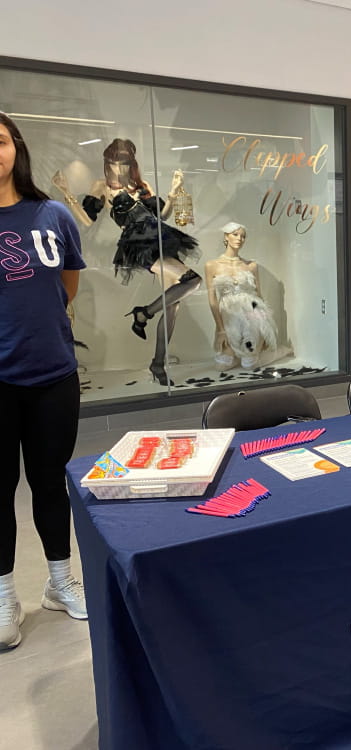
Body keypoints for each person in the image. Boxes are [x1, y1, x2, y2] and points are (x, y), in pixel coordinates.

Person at [0, 112, 88, 649]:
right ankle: (4, 595)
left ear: (16, 148)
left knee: (51, 484)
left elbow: (68, 284)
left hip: (54, 374)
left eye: (0, 140)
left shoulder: (52, 214)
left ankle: (59, 582)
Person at [52, 138, 200, 386]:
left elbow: (161, 216)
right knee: (192, 279)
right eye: (114, 163)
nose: (118, 168)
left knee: (173, 304)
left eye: (123, 163)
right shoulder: (102, 186)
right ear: (107, 163)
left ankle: (157, 363)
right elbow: (87, 221)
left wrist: (174, 191)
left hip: (161, 237)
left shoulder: (142, 186)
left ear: (131, 163)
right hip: (139, 244)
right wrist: (66, 193)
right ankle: (143, 313)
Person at [204, 223, 277, 370]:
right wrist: (220, 329)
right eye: (235, 234)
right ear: (226, 236)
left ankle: (252, 351)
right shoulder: (212, 265)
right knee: (221, 366)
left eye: (243, 236)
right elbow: (212, 300)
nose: (240, 239)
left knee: (249, 365)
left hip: (251, 314)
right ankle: (237, 353)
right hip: (229, 317)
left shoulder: (251, 265)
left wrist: (266, 326)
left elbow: (258, 295)